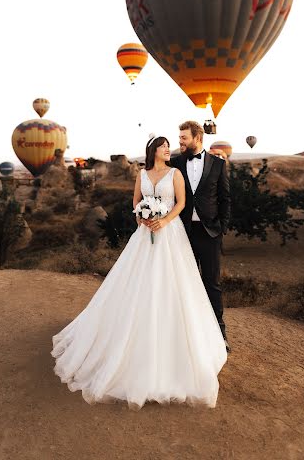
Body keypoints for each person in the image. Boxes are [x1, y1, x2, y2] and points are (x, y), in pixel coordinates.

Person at [51, 135, 227, 410]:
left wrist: (163, 221)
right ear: (153, 151)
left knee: (173, 287)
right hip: (144, 235)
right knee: (136, 286)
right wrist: (142, 218)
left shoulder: (176, 173)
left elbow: (181, 204)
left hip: (170, 235)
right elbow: (135, 204)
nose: (169, 149)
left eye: (170, 146)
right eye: (165, 146)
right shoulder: (142, 174)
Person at [170, 121, 231, 352]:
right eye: (179, 137)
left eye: (184, 137)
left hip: (209, 233)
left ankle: (220, 335)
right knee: (184, 285)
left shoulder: (217, 164)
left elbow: (225, 198)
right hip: (181, 233)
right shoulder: (175, 164)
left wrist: (221, 228)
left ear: (198, 137)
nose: (180, 141)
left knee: (212, 284)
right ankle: (187, 338)